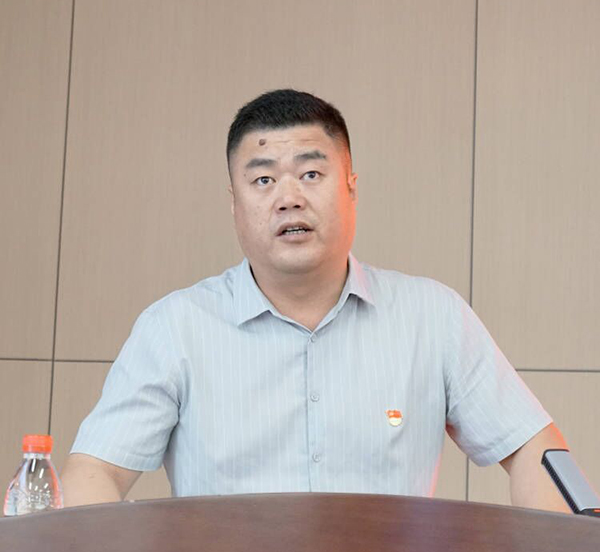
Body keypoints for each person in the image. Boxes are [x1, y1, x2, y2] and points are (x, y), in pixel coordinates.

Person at [61, 89, 571, 513]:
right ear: (234, 203)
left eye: (311, 175)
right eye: (263, 180)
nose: (289, 198)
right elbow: (94, 471)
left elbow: (537, 449)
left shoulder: (433, 318)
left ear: (351, 188)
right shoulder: (176, 327)